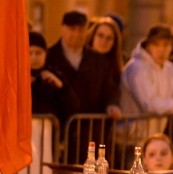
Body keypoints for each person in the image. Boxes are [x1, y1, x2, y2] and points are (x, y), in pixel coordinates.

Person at [45, 10, 121, 163]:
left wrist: (112, 105)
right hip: (60, 133)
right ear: (63, 29)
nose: (77, 34)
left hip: (91, 134)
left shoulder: (98, 61)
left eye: (81, 29)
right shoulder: (50, 58)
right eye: (72, 29)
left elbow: (110, 88)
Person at [120, 24, 173, 144]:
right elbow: (150, 105)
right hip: (129, 139)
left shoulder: (169, 68)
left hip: (152, 138)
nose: (161, 49)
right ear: (148, 46)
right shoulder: (137, 68)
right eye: (156, 44)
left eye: (166, 45)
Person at [30, 31, 78, 121]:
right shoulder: (15, 77)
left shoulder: (54, 74)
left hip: (50, 129)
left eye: (38, 53)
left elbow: (73, 107)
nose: (34, 57)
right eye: (30, 53)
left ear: (46, 54)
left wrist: (61, 87)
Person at [85, 16, 124, 85]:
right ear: (93, 36)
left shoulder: (116, 73)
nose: (104, 41)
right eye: (100, 35)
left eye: (109, 38)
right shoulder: (80, 64)